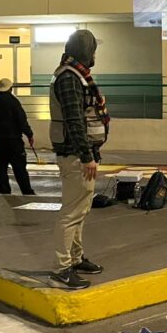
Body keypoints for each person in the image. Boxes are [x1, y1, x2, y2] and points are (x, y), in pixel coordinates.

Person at [49, 29, 108, 289]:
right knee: (71, 213)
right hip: (75, 155)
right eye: (93, 50)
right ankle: (61, 269)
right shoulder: (69, 78)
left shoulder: (75, 75)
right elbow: (74, 120)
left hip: (80, 154)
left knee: (80, 211)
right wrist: (86, 156)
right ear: (86, 51)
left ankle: (75, 258)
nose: (95, 55)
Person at [0, 78, 36, 195]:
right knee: (19, 167)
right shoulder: (14, 102)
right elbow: (21, 121)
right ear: (10, 88)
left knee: (1, 168)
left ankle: (4, 192)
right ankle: (26, 191)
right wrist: (29, 134)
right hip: (14, 141)